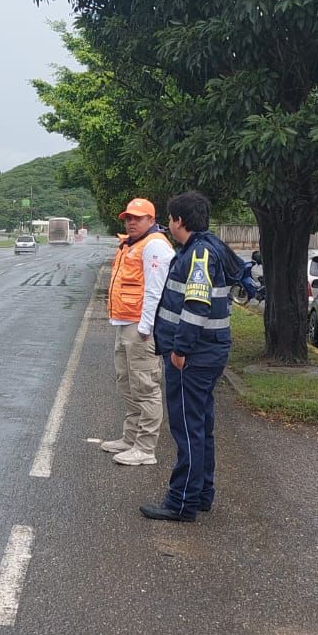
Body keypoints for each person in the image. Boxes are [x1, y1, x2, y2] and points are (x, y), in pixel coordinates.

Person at [141, 191, 256, 521]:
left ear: (179, 221)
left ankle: (181, 503)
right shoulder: (207, 247)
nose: (169, 225)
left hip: (194, 357)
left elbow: (196, 306)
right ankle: (202, 493)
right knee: (201, 426)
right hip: (207, 354)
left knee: (188, 429)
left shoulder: (199, 254)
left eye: (169, 220)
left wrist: (180, 350)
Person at [99, 198, 174, 466]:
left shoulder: (154, 246)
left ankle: (145, 448)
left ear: (151, 220)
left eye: (138, 218)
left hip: (140, 328)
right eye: (128, 218)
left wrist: (146, 327)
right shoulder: (132, 244)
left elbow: (155, 290)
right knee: (126, 382)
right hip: (124, 323)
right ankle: (130, 438)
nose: (131, 222)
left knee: (145, 386)